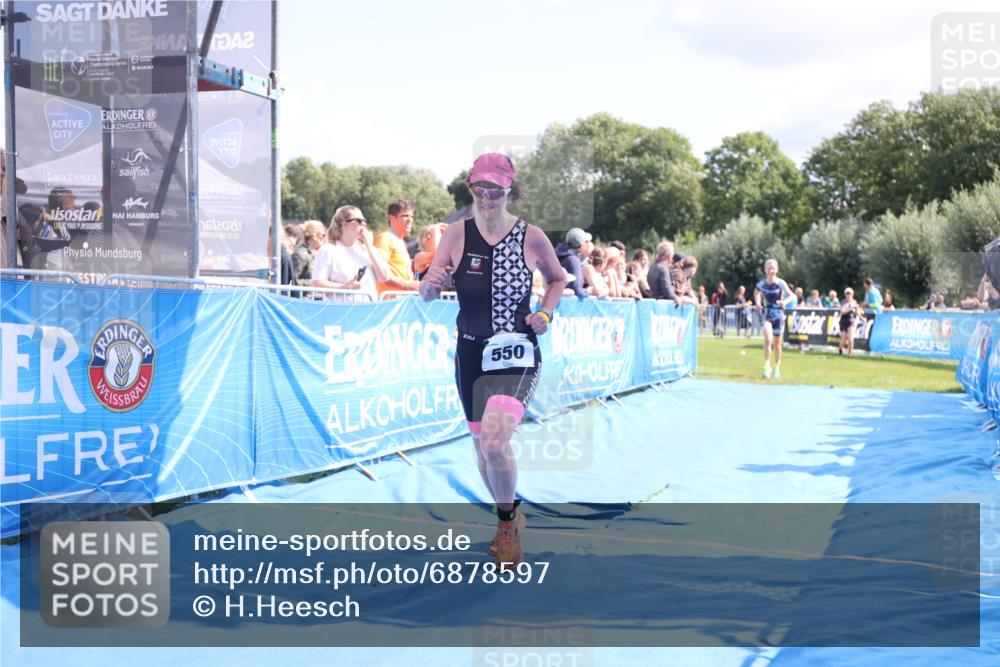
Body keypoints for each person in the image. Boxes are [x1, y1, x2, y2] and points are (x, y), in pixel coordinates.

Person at [419, 152, 565, 569]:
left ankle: (505, 530)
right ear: (471, 189)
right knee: (483, 450)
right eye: (479, 188)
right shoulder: (456, 233)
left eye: (495, 189)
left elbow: (558, 278)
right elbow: (429, 291)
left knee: (496, 442)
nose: (486, 197)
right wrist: (432, 284)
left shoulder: (530, 236)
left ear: (508, 190)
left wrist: (546, 312)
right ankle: (510, 516)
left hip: (517, 350)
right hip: (470, 351)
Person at [311, 205, 391, 302]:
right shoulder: (328, 250)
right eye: (359, 221)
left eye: (364, 221)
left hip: (368, 311)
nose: (364, 224)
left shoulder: (365, 250)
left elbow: (384, 277)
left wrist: (369, 245)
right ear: (344, 224)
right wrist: (345, 287)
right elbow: (317, 283)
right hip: (342, 312)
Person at [754, 259, 795, 379]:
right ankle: (766, 367)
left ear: (776, 270)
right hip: (767, 313)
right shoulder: (761, 284)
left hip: (778, 315)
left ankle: (777, 366)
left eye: (773, 268)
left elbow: (792, 295)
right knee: (767, 339)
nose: (771, 270)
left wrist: (784, 302)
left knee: (777, 344)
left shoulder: (780, 283)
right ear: (765, 270)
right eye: (768, 268)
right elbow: (757, 292)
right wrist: (757, 302)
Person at [374, 199, 421, 296]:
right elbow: (378, 271)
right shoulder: (385, 238)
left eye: (411, 216)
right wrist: (408, 285)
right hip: (389, 304)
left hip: (401, 303)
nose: (410, 220)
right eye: (405, 216)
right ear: (391, 218)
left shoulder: (400, 241)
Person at [554, 227, 592, 300]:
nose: (587, 244)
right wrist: (587, 292)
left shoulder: (558, 255)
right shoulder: (573, 260)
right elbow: (577, 289)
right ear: (581, 244)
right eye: (585, 242)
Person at [293, 220, 325, 289]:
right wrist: (315, 283)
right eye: (323, 235)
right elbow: (292, 281)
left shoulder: (310, 253)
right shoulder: (300, 254)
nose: (324, 239)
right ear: (314, 236)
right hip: (301, 298)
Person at [839, 287, 861, 357]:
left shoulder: (855, 302)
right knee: (843, 338)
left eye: (850, 294)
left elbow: (857, 312)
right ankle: (840, 348)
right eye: (847, 294)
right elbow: (842, 312)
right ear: (845, 295)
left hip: (851, 321)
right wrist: (851, 308)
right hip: (843, 320)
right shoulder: (843, 302)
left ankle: (850, 353)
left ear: (852, 294)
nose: (848, 295)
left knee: (851, 338)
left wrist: (861, 317)